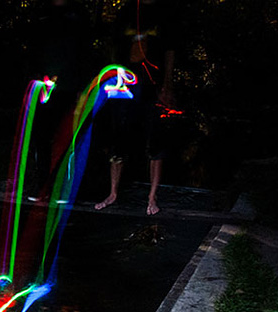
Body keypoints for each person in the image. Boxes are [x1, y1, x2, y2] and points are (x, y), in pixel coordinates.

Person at [94, 0, 178, 215]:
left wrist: (167, 85)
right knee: (118, 137)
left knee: (155, 139)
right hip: (125, 85)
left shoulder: (163, 13)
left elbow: (169, 50)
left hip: (152, 86)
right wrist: (109, 80)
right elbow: (113, 47)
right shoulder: (126, 12)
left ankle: (152, 196)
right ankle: (113, 192)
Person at [26, 0, 94, 197]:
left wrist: (82, 88)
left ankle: (64, 189)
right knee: (42, 137)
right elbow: (33, 51)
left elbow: (85, 52)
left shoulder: (78, 15)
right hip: (44, 88)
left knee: (67, 138)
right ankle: (43, 187)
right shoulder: (41, 14)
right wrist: (35, 79)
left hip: (70, 88)